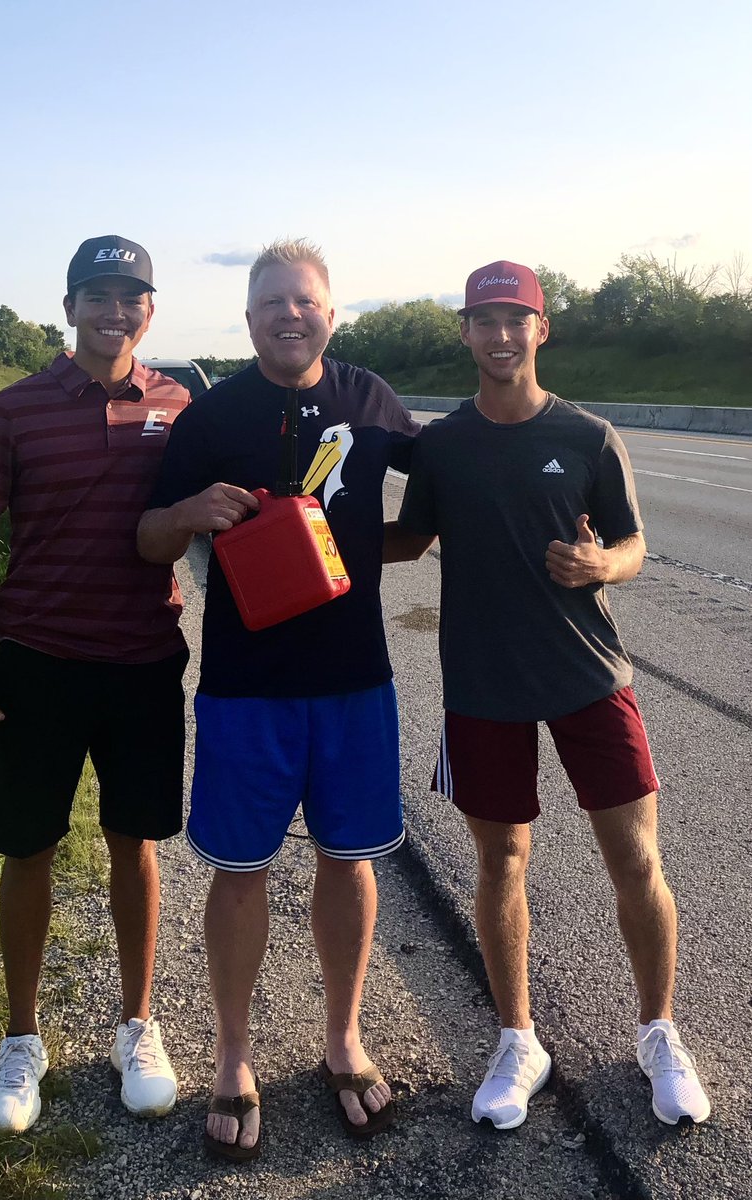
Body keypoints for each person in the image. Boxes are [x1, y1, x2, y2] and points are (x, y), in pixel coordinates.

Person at [385, 260, 711, 1130]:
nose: (499, 335)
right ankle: (516, 1040)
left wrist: (603, 563)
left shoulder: (591, 435)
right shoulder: (443, 444)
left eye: (514, 318)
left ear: (540, 329)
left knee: (636, 860)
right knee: (501, 863)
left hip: (587, 674)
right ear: (463, 331)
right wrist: (291, 530)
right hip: (483, 683)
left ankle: (657, 1032)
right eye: (483, 320)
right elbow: (406, 541)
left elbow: (634, 543)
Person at [137, 238, 419, 1159]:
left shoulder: (369, 399)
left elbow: (453, 483)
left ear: (329, 313)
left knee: (349, 859)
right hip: (245, 687)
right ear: (249, 317)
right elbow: (146, 536)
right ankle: (232, 1056)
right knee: (239, 870)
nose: (288, 316)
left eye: (304, 301)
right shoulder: (211, 417)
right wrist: (188, 516)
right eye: (270, 304)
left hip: (352, 682)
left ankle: (343, 1039)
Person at [0, 235, 191, 1133]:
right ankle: (23, 1041)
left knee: (136, 844)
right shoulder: (15, 408)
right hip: (38, 663)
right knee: (29, 847)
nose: (112, 311)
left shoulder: (176, 404)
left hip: (142, 663)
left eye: (129, 297)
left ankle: (137, 1024)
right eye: (96, 294)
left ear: (149, 310)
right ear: (69, 306)